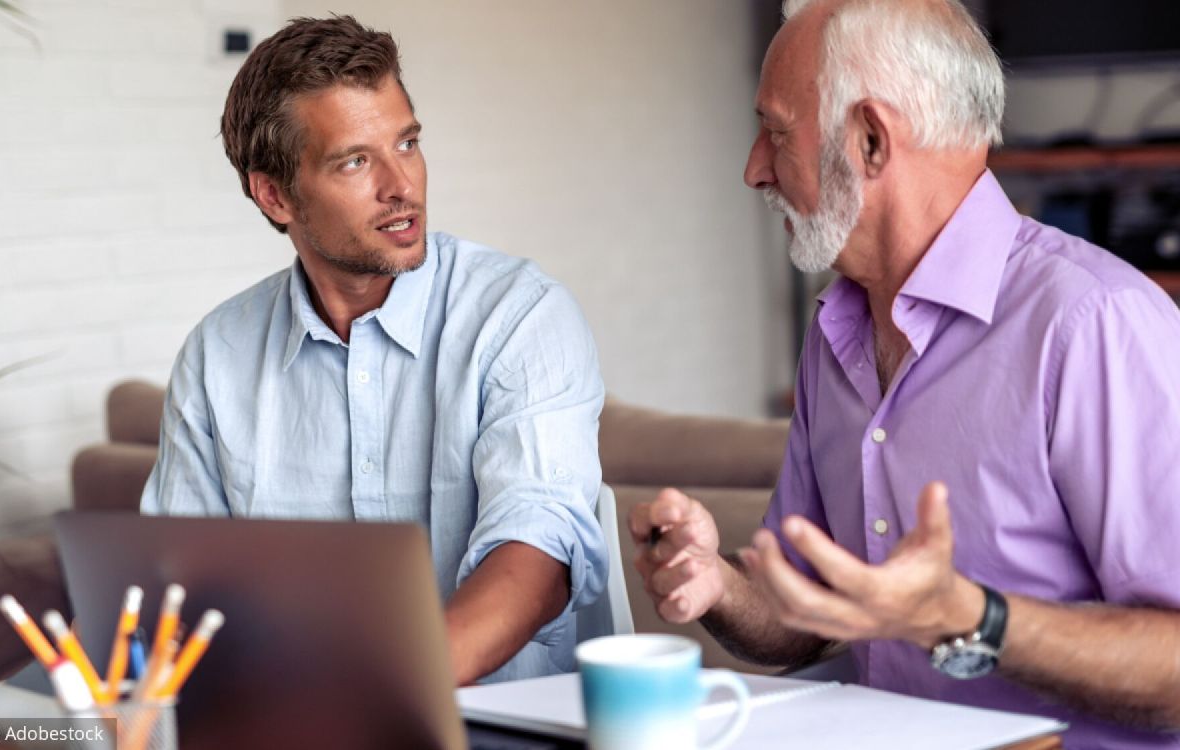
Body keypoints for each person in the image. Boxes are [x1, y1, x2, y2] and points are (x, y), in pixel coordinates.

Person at [630, 0, 1180, 746]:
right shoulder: (836, 331)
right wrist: (719, 583)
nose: (754, 169)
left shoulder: (1095, 324)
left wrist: (969, 618)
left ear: (870, 140)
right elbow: (809, 612)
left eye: (777, 132)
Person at [140, 15, 608, 686]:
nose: (402, 186)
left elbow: (538, 547)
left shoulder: (519, 314)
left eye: (407, 143)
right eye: (356, 161)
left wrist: (378, 694)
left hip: (492, 721)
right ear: (274, 195)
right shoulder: (217, 356)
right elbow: (179, 590)